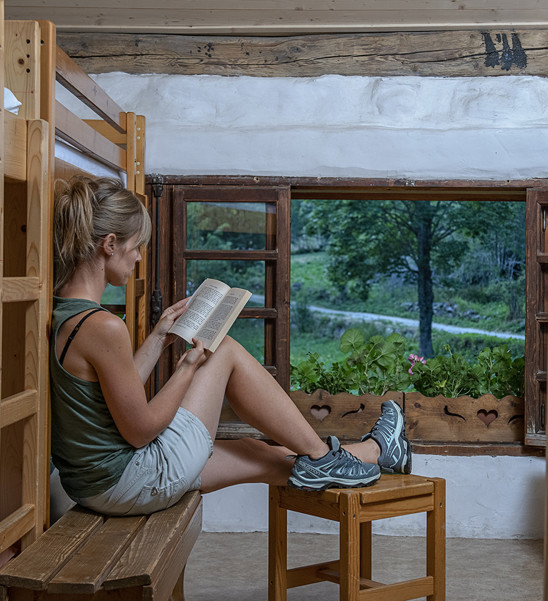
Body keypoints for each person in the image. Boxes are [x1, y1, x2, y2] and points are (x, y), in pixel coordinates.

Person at [49, 175, 411, 516]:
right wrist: (188, 368)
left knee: (258, 453)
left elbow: (116, 398)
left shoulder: (68, 311)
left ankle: (375, 453)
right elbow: (140, 428)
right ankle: (324, 454)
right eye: (135, 246)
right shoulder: (104, 326)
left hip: (99, 485)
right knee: (224, 351)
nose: (139, 257)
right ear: (110, 245)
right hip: (130, 481)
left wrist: (160, 336)